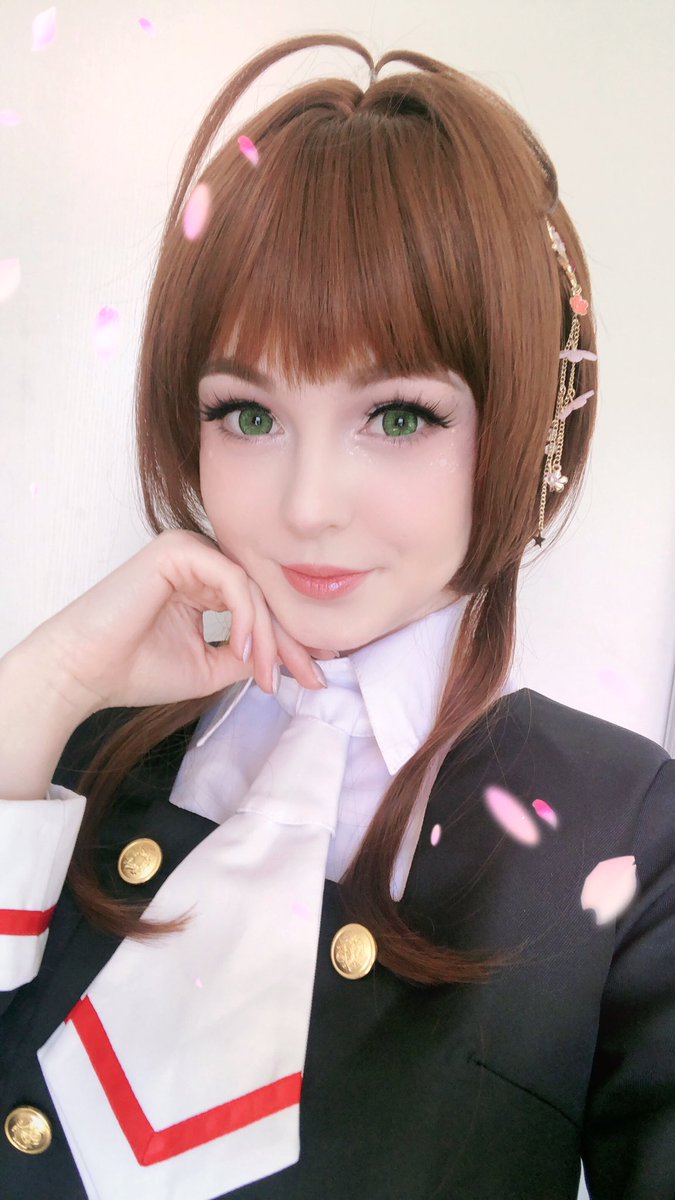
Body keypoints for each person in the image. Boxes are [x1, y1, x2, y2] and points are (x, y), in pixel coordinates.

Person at [0, 30, 672, 1200]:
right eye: (247, 413)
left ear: (523, 420)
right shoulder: (78, 746)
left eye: (399, 415)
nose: (308, 506)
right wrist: (42, 690)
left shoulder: (625, 832)